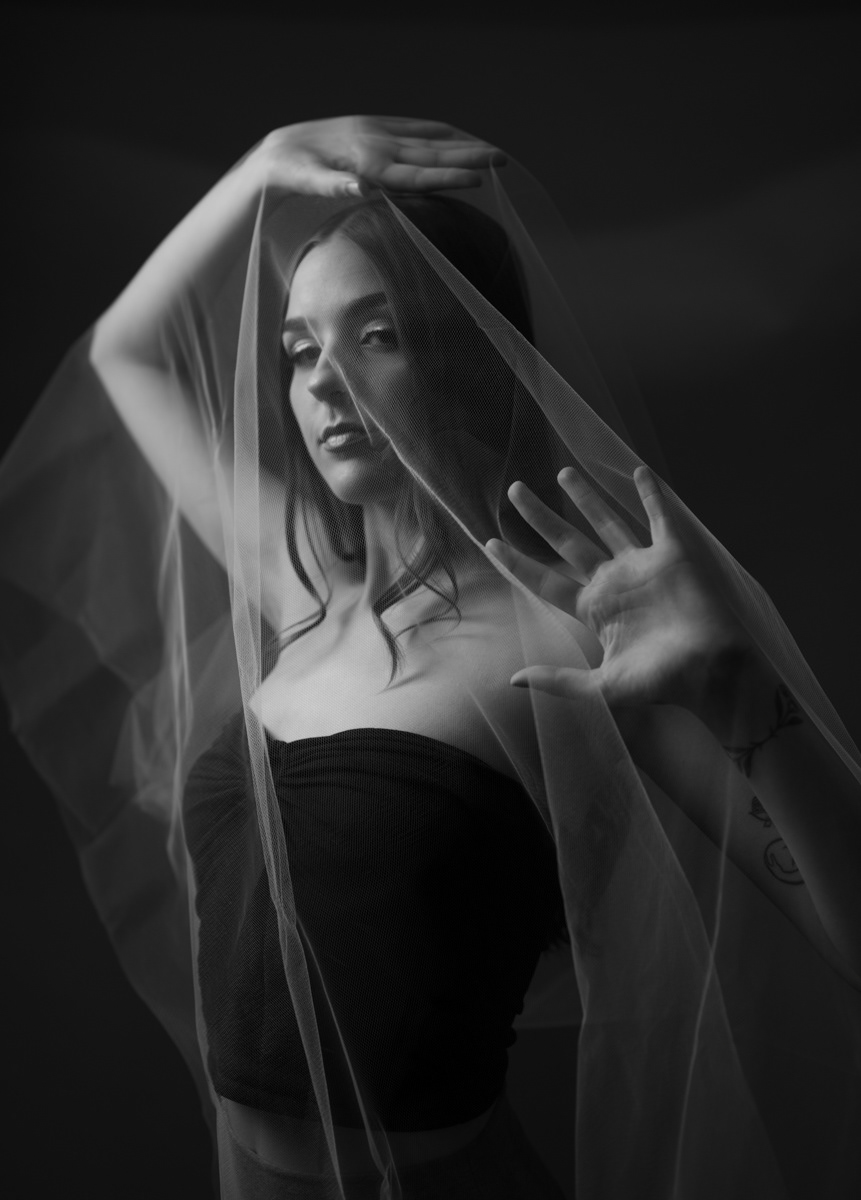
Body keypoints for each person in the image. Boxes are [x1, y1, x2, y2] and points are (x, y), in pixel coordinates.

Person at [0, 116, 859, 1200]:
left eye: (377, 335)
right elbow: (125, 354)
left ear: (475, 358)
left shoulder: (572, 646)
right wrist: (264, 165)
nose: (324, 385)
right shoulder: (304, 592)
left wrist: (745, 698)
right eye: (299, 349)